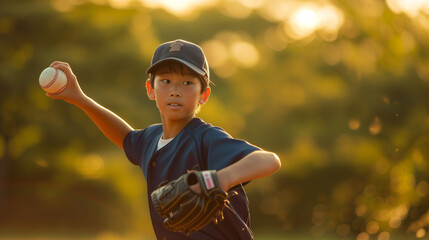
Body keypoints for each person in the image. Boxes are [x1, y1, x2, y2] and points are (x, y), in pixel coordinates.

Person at [47, 39, 281, 240]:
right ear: (150, 89)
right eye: (165, 81)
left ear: (204, 95)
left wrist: (217, 180)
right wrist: (80, 98)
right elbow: (126, 137)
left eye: (188, 83)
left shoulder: (205, 138)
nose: (175, 90)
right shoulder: (150, 139)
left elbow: (269, 160)